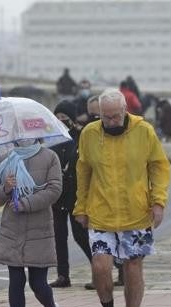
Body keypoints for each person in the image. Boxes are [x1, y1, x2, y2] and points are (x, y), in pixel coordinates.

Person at [74, 88, 171, 307]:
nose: (111, 122)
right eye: (105, 118)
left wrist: (158, 202)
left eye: (115, 117)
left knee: (132, 268)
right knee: (100, 266)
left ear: (125, 110)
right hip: (101, 212)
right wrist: (80, 207)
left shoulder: (144, 131)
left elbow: (159, 167)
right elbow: (83, 171)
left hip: (135, 214)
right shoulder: (90, 134)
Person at [0, 139, 64, 307]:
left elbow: (54, 190)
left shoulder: (49, 157)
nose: (22, 136)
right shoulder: (4, 160)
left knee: (38, 283)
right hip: (12, 228)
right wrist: (6, 188)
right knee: (16, 279)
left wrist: (26, 203)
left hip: (39, 227)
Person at [49, 100, 95, 290]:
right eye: (57, 117)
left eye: (65, 118)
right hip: (58, 195)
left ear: (72, 118)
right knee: (59, 236)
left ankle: (99, 270)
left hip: (77, 195)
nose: (61, 121)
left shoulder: (83, 135)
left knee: (81, 236)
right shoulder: (52, 138)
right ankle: (62, 275)